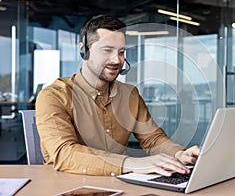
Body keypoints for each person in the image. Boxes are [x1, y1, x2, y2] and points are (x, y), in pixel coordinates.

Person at [36, 14, 200, 177]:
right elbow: (64, 153)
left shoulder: (130, 95)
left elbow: (153, 138)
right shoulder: (54, 96)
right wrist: (132, 163)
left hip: (118, 184)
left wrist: (178, 154)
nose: (117, 60)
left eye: (121, 52)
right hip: (66, 185)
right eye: (107, 50)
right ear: (83, 49)